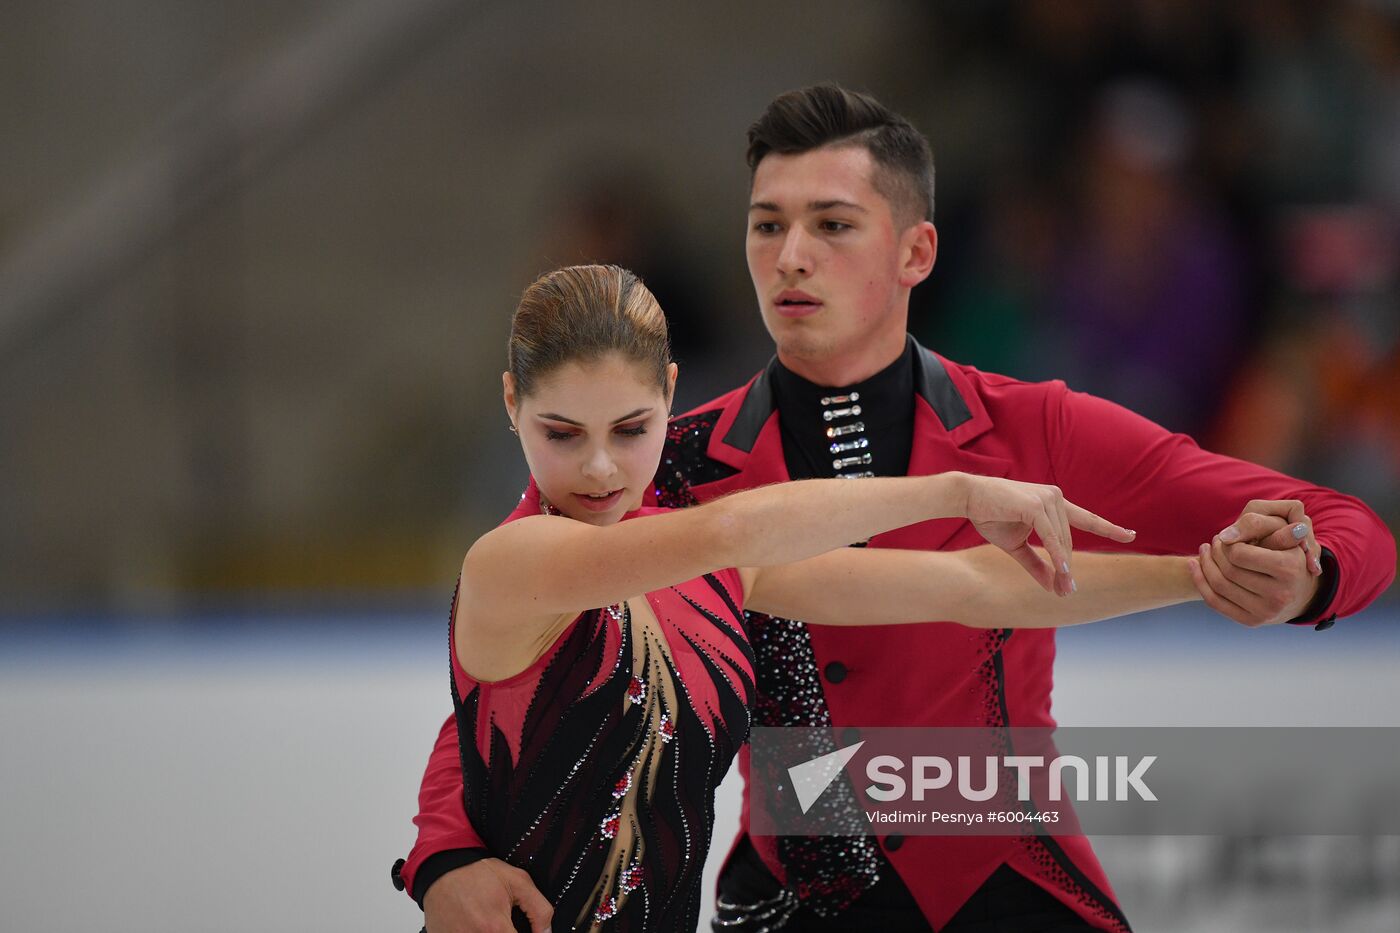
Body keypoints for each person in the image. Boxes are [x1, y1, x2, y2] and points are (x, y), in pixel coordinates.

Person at [396, 86, 1397, 933]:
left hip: (1009, 877)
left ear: (916, 252)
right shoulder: (659, 455)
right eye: (767, 224)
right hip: (793, 889)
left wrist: (1303, 577)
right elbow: (519, 669)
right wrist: (448, 851)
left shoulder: (1036, 428)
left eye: (831, 225)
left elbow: (1345, 524)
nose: (790, 256)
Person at [423, 261, 1218, 933]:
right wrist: (954, 490)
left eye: (631, 429)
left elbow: (974, 584)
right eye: (563, 434)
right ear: (512, 404)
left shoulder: (710, 571)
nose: (600, 469)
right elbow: (732, 526)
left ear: (670, 393)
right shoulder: (512, 562)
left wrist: (1199, 575)